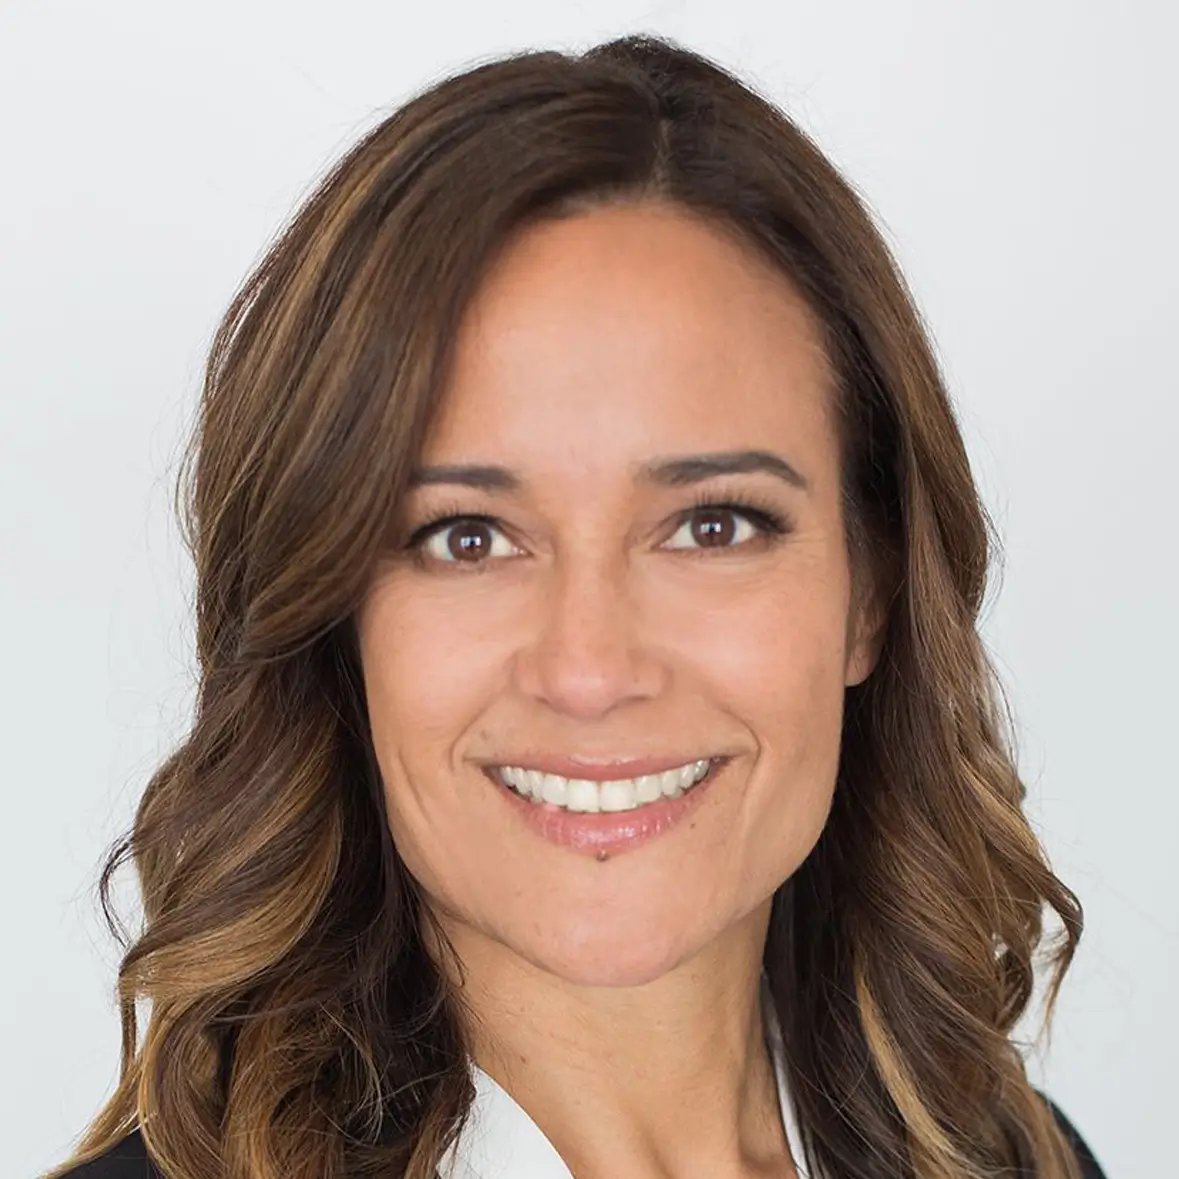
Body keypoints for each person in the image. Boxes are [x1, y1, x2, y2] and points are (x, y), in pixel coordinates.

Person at [44, 33, 1109, 1179]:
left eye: (713, 524)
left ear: (873, 592)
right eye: (468, 538)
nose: (592, 668)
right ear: (336, 621)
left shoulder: (1021, 1158)